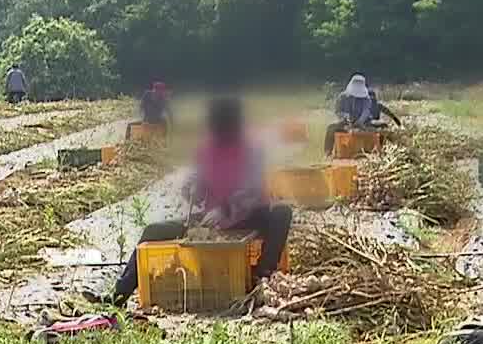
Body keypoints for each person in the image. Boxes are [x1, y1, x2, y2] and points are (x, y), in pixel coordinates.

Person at [106, 96, 293, 306]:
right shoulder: (207, 150)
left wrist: (225, 208)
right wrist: (192, 188)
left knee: (282, 212)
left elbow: (251, 190)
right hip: (210, 220)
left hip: (250, 216)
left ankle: (263, 275)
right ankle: (118, 295)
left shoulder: (252, 149)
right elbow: (194, 180)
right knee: (153, 231)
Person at [324, 74, 401, 154]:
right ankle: (327, 153)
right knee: (331, 128)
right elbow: (338, 111)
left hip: (365, 123)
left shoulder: (366, 99)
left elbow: (366, 111)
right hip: (346, 123)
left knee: (384, 126)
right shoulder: (342, 97)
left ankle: (383, 151)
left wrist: (360, 121)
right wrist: (345, 117)